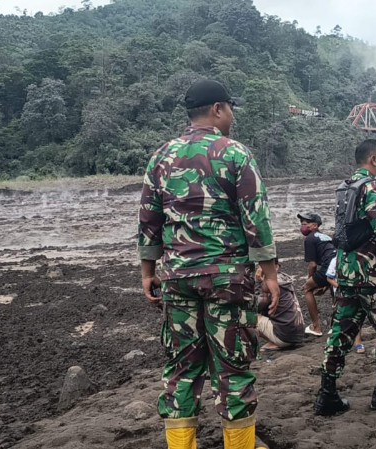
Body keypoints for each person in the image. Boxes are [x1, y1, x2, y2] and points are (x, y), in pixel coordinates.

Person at [138, 79, 279, 449]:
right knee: (232, 369)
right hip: (226, 279)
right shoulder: (235, 154)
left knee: (182, 368)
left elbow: (148, 221)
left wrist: (148, 273)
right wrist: (271, 275)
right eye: (230, 107)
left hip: (177, 278)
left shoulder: (161, 157)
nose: (232, 115)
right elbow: (256, 219)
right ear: (218, 109)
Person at [314, 139, 376, 417]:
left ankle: (327, 395)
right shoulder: (375, 187)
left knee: (340, 334)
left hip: (347, 274)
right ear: (373, 159)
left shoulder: (345, 186)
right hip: (373, 278)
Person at [297, 212, 336, 336]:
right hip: (338, 264)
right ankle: (335, 326)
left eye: (305, 223)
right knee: (334, 289)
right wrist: (323, 285)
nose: (302, 226)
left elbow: (313, 265)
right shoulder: (324, 236)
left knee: (308, 289)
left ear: (315, 225)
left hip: (330, 266)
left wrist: (311, 280)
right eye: (302, 223)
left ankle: (316, 327)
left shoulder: (310, 239)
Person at [255, 260, 304, 351]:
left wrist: (258, 282)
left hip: (285, 336)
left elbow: (257, 306)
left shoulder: (270, 284)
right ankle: (277, 340)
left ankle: (277, 342)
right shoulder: (284, 279)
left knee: (247, 317)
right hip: (297, 334)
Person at [325, 256, 365, 354]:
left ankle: (357, 341)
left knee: (356, 317)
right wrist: (340, 287)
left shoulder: (357, 257)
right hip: (342, 294)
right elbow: (329, 278)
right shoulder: (335, 260)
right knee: (339, 317)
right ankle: (337, 342)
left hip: (356, 292)